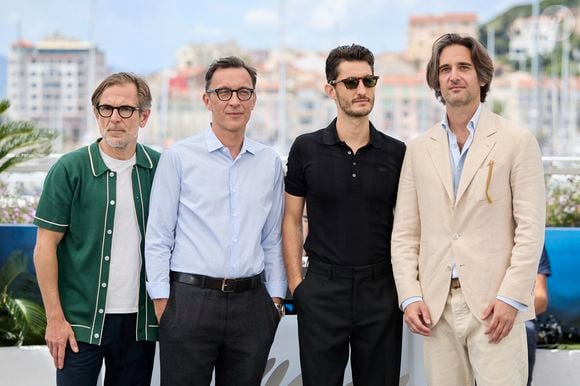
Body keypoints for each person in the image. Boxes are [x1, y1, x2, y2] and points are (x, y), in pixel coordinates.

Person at [391, 33, 546, 386]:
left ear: (482, 76)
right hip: (436, 308)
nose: (453, 76)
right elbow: (405, 233)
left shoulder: (516, 141)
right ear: (436, 79)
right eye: (444, 69)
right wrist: (410, 296)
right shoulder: (418, 149)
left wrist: (511, 298)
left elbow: (531, 228)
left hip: (496, 307)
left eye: (463, 66)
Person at [145, 56, 286, 386]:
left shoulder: (269, 162)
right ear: (206, 100)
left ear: (254, 99)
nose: (234, 101)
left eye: (242, 92)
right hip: (189, 302)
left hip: (252, 305)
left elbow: (272, 238)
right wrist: (163, 301)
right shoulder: (178, 157)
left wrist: (275, 299)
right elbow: (159, 236)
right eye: (223, 92)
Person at [283, 44, 405, 386]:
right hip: (322, 289)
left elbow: (410, 226)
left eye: (369, 80)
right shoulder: (305, 148)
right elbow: (292, 218)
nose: (362, 90)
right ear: (331, 89)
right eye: (351, 83)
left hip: (381, 290)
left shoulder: (396, 152)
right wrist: (298, 287)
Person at [33, 72, 159, 385]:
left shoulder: (161, 169)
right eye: (106, 109)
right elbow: (44, 247)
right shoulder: (69, 169)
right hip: (79, 324)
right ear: (96, 113)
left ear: (143, 116)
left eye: (125, 109)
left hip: (139, 324)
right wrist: (54, 320)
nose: (115, 118)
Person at [526, 245, 551, 386]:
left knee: (525, 330)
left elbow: (541, 300)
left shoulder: (531, 238)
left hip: (518, 315)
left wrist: (507, 312)